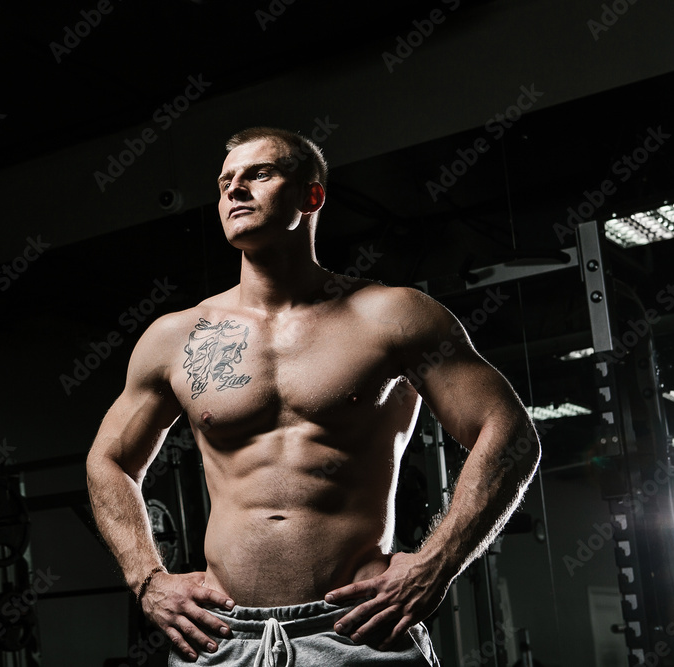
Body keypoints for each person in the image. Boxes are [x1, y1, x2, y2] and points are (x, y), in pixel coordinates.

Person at [86, 127, 541, 665]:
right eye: (225, 180)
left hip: (357, 631)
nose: (234, 190)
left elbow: (509, 432)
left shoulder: (391, 315)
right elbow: (108, 459)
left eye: (258, 174)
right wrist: (147, 580)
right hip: (221, 637)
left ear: (312, 195)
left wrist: (435, 563)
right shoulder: (177, 335)